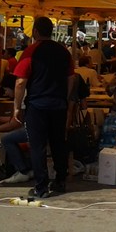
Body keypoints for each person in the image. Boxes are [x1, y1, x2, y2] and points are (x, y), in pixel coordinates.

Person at [12, 16, 75, 199]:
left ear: (35, 31)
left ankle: (41, 187)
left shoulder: (31, 51)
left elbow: (20, 82)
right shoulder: (64, 51)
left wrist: (17, 106)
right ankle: (60, 180)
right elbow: (71, 78)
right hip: (59, 104)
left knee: (37, 146)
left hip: (37, 105)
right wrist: (64, 97)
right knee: (58, 143)